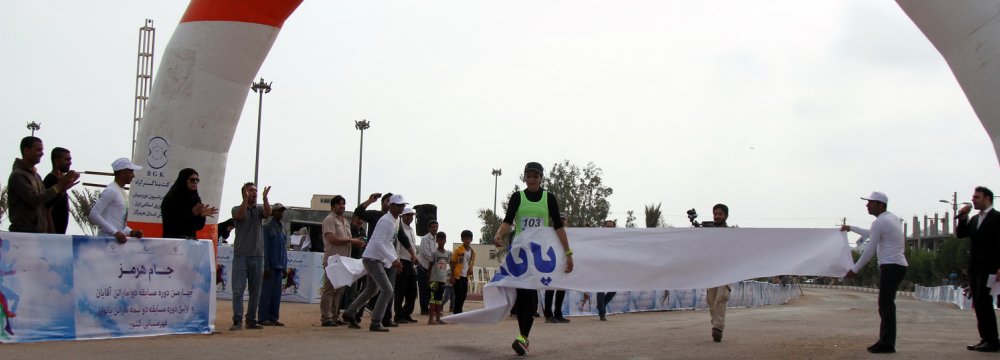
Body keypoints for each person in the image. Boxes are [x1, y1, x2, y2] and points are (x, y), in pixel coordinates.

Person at [493, 162, 574, 356]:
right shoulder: (517, 197)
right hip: (521, 253)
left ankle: (523, 337)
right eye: (528, 176)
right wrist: (499, 234)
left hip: (540, 255)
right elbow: (508, 220)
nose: (531, 179)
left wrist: (568, 252)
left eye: (535, 176)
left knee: (529, 297)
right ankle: (523, 337)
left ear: (541, 178)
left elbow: (558, 227)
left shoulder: (549, 198)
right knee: (524, 296)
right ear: (524, 177)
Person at [842, 192, 907, 354]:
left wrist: (855, 269)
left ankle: (887, 343)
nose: (867, 205)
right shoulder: (890, 218)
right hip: (896, 266)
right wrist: (851, 228)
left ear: (880, 205)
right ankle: (885, 341)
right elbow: (870, 233)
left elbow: (870, 249)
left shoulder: (881, 221)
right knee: (886, 305)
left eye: (870, 203)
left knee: (886, 306)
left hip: (891, 266)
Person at [342, 194, 406, 332]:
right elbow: (377, 243)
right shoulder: (385, 221)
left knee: (372, 289)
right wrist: (393, 260)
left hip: (376, 258)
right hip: (372, 258)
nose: (402, 208)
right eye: (399, 205)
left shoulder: (395, 220)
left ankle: (350, 312)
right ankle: (375, 322)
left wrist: (394, 259)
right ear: (391, 206)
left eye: (403, 205)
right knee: (387, 290)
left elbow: (389, 243)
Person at [956, 186, 1000, 353]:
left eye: (977, 197)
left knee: (985, 304)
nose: (973, 200)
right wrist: (963, 218)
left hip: (990, 269)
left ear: (987, 198)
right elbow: (961, 234)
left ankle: (993, 341)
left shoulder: (997, 218)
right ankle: (985, 338)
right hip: (975, 268)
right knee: (979, 304)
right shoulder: (974, 219)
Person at [7, 137, 79, 233]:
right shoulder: (18, 175)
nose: (42, 153)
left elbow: (45, 204)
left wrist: (62, 190)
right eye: (38, 150)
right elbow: (35, 200)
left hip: (38, 234)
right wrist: (59, 186)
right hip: (24, 234)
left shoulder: (36, 176)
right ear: (27, 151)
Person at [230, 182, 272, 331]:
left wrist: (265, 199)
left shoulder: (259, 209)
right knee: (238, 290)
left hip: (258, 256)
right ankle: (237, 320)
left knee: (256, 290)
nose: (253, 192)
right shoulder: (237, 208)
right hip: (241, 255)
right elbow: (239, 216)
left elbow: (268, 214)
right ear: (244, 193)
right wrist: (245, 201)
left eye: (255, 190)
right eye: (250, 190)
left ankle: (251, 319)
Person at [320, 195, 364, 327]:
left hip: (344, 260)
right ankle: (325, 317)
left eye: (343, 204)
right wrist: (351, 240)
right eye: (339, 204)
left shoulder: (345, 221)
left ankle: (335, 316)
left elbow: (347, 240)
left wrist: (357, 242)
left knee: (339, 290)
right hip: (333, 260)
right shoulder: (329, 220)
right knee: (329, 289)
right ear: (333, 206)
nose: (342, 206)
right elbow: (332, 238)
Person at [90, 158, 144, 244]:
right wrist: (115, 233)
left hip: (116, 243)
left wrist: (131, 232)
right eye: (131, 172)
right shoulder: (111, 190)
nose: (133, 175)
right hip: (105, 241)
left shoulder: (121, 191)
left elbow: (117, 222)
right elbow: (93, 214)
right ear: (122, 173)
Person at [161, 168, 218, 240]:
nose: (195, 182)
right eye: (192, 180)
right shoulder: (171, 198)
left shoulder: (196, 199)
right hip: (173, 242)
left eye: (197, 180)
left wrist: (201, 216)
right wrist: (193, 213)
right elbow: (174, 224)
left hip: (190, 243)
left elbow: (198, 227)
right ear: (183, 180)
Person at [705, 204, 731, 342]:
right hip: (711, 270)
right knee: (711, 300)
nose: (717, 216)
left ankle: (718, 328)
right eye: (715, 213)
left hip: (726, 270)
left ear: (726, 216)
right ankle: (715, 323)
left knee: (722, 297)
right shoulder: (707, 232)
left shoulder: (731, 233)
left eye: (720, 214)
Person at [259, 203, 288, 326]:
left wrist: (285, 267)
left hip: (279, 266)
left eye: (282, 211)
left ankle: (273, 317)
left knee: (277, 294)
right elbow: (264, 248)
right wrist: (265, 266)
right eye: (278, 211)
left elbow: (284, 249)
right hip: (270, 266)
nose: (281, 213)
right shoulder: (266, 227)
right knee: (266, 293)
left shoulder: (283, 228)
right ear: (272, 212)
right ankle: (263, 317)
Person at [394, 207, 420, 323]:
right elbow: (398, 246)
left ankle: (406, 313)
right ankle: (398, 315)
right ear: (402, 216)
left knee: (412, 290)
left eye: (411, 215)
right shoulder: (400, 228)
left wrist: (415, 257)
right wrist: (397, 261)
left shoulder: (411, 230)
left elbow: (413, 246)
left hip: (411, 262)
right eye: (407, 215)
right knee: (400, 290)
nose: (410, 217)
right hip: (402, 261)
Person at [42, 147, 72, 234]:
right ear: (56, 161)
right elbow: (47, 210)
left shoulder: (60, 180)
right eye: (67, 159)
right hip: (53, 235)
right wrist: (53, 233)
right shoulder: (51, 180)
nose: (70, 163)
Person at [427, 231, 451, 325]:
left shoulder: (448, 253)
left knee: (439, 300)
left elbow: (448, 265)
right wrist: (428, 278)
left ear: (445, 241)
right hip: (434, 279)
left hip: (442, 279)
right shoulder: (434, 253)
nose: (441, 241)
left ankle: (438, 318)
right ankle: (430, 319)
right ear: (437, 240)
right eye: (440, 239)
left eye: (443, 239)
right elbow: (430, 266)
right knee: (432, 299)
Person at [595, 219, 617, 322]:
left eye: (611, 227)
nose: (609, 228)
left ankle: (601, 306)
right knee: (600, 290)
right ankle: (602, 313)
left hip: (612, 267)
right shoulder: (599, 238)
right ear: (604, 227)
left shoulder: (617, 240)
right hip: (600, 266)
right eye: (607, 227)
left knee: (613, 290)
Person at [417, 220, 440, 315]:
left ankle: (432, 308)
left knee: (432, 289)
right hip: (423, 267)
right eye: (433, 227)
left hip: (433, 269)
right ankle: (424, 309)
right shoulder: (425, 239)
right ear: (429, 228)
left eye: (436, 227)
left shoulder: (437, 240)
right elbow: (425, 252)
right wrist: (435, 259)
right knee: (423, 289)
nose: (435, 228)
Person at [450, 230, 476, 314]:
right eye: (465, 239)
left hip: (465, 276)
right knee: (459, 294)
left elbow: (471, 263)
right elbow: (453, 263)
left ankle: (459, 310)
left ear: (471, 239)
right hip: (458, 276)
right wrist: (452, 276)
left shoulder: (473, 252)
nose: (467, 241)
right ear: (462, 239)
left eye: (468, 239)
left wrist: (471, 269)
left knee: (464, 295)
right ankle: (456, 312)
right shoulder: (458, 250)